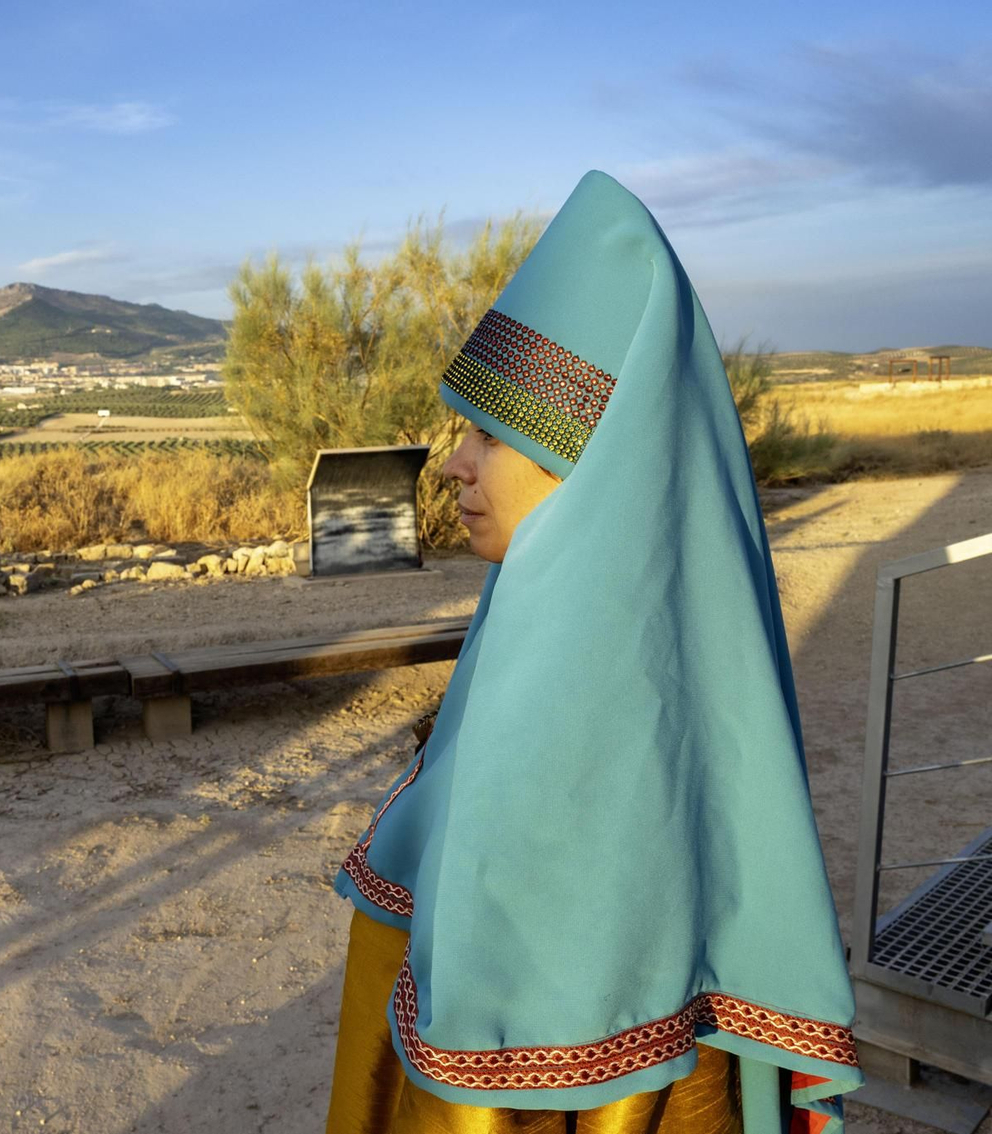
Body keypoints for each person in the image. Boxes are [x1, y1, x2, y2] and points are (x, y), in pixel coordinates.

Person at [324, 170, 865, 1134]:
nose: (455, 464)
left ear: (594, 472)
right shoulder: (534, 630)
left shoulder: (591, 711)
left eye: (491, 436)